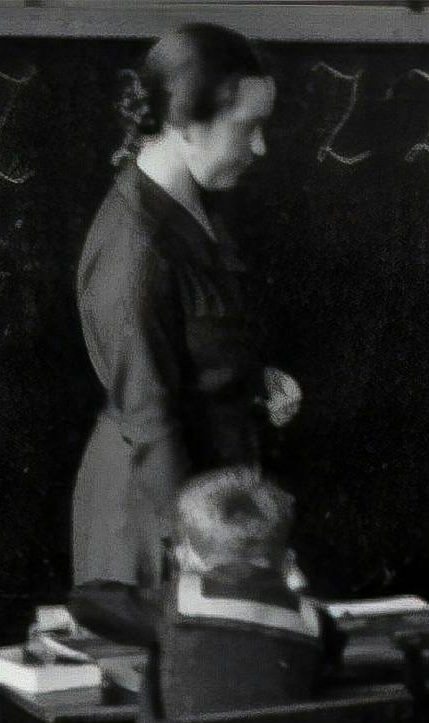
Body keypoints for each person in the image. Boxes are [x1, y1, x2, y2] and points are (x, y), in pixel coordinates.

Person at [74, 23, 299, 586]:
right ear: (182, 125)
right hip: (158, 523)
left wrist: (254, 379)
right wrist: (196, 548)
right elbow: (149, 416)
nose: (260, 147)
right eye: (246, 127)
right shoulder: (135, 247)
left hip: (209, 508)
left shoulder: (195, 207)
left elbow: (196, 348)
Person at [69, 468, 336, 723]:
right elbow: (326, 659)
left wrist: (184, 575)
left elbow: (85, 600)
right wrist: (296, 589)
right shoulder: (312, 618)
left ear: (188, 553)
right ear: (285, 558)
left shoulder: (179, 599)